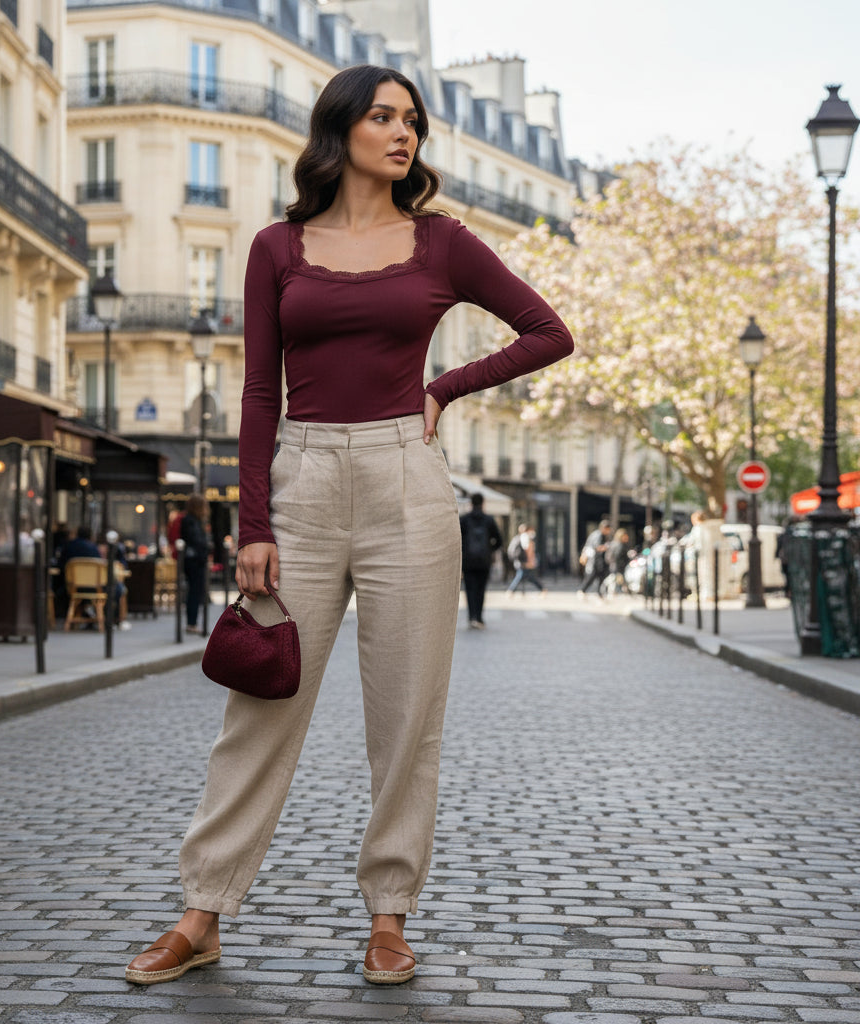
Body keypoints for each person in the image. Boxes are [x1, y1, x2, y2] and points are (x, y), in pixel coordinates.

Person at [123, 64, 573, 989]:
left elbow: (546, 330)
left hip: (408, 479)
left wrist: (444, 389)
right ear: (342, 131)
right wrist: (254, 520)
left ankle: (389, 919)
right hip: (304, 479)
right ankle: (202, 912)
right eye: (382, 117)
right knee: (261, 704)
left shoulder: (442, 243)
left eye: (412, 120)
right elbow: (256, 393)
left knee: (407, 715)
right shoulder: (276, 249)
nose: (403, 133)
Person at [459, 492, 502, 627]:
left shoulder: (464, 519)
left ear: (471, 503)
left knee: (470, 589)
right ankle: (479, 617)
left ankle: (472, 617)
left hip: (468, 561)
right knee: (481, 590)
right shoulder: (489, 519)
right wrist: (490, 549)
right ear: (483, 503)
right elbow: (499, 540)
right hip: (484, 561)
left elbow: (457, 540)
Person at [180, 494, 211, 634]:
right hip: (195, 561)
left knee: (195, 591)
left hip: (195, 560)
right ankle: (191, 623)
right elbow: (196, 541)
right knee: (194, 591)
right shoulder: (191, 521)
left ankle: (192, 623)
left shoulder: (195, 520)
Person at [507, 524, 545, 595]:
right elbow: (528, 551)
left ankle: (511, 591)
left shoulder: (518, 538)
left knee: (524, 576)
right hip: (523, 561)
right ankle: (542, 589)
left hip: (522, 561)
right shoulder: (524, 538)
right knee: (524, 576)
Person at [578, 519, 611, 597]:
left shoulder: (595, 534)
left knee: (597, 577)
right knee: (593, 576)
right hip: (595, 560)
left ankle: (597, 593)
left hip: (594, 560)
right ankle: (583, 591)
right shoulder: (598, 535)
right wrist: (607, 547)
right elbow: (597, 547)